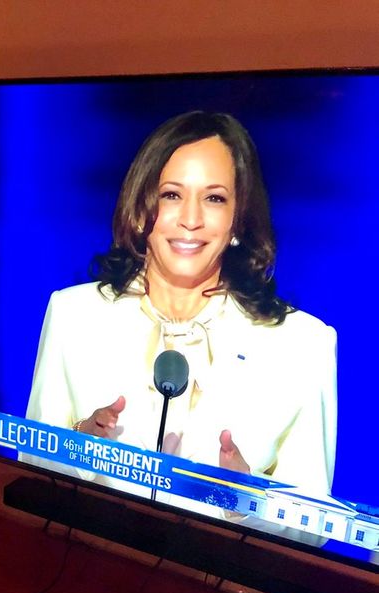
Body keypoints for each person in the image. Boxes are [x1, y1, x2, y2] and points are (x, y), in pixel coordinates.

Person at [24, 111, 337, 504]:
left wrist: (248, 498)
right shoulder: (73, 314)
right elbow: (30, 467)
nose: (191, 219)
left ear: (238, 219)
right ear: (141, 208)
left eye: (214, 198)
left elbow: (312, 517)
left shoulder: (304, 345)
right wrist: (77, 449)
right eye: (172, 195)